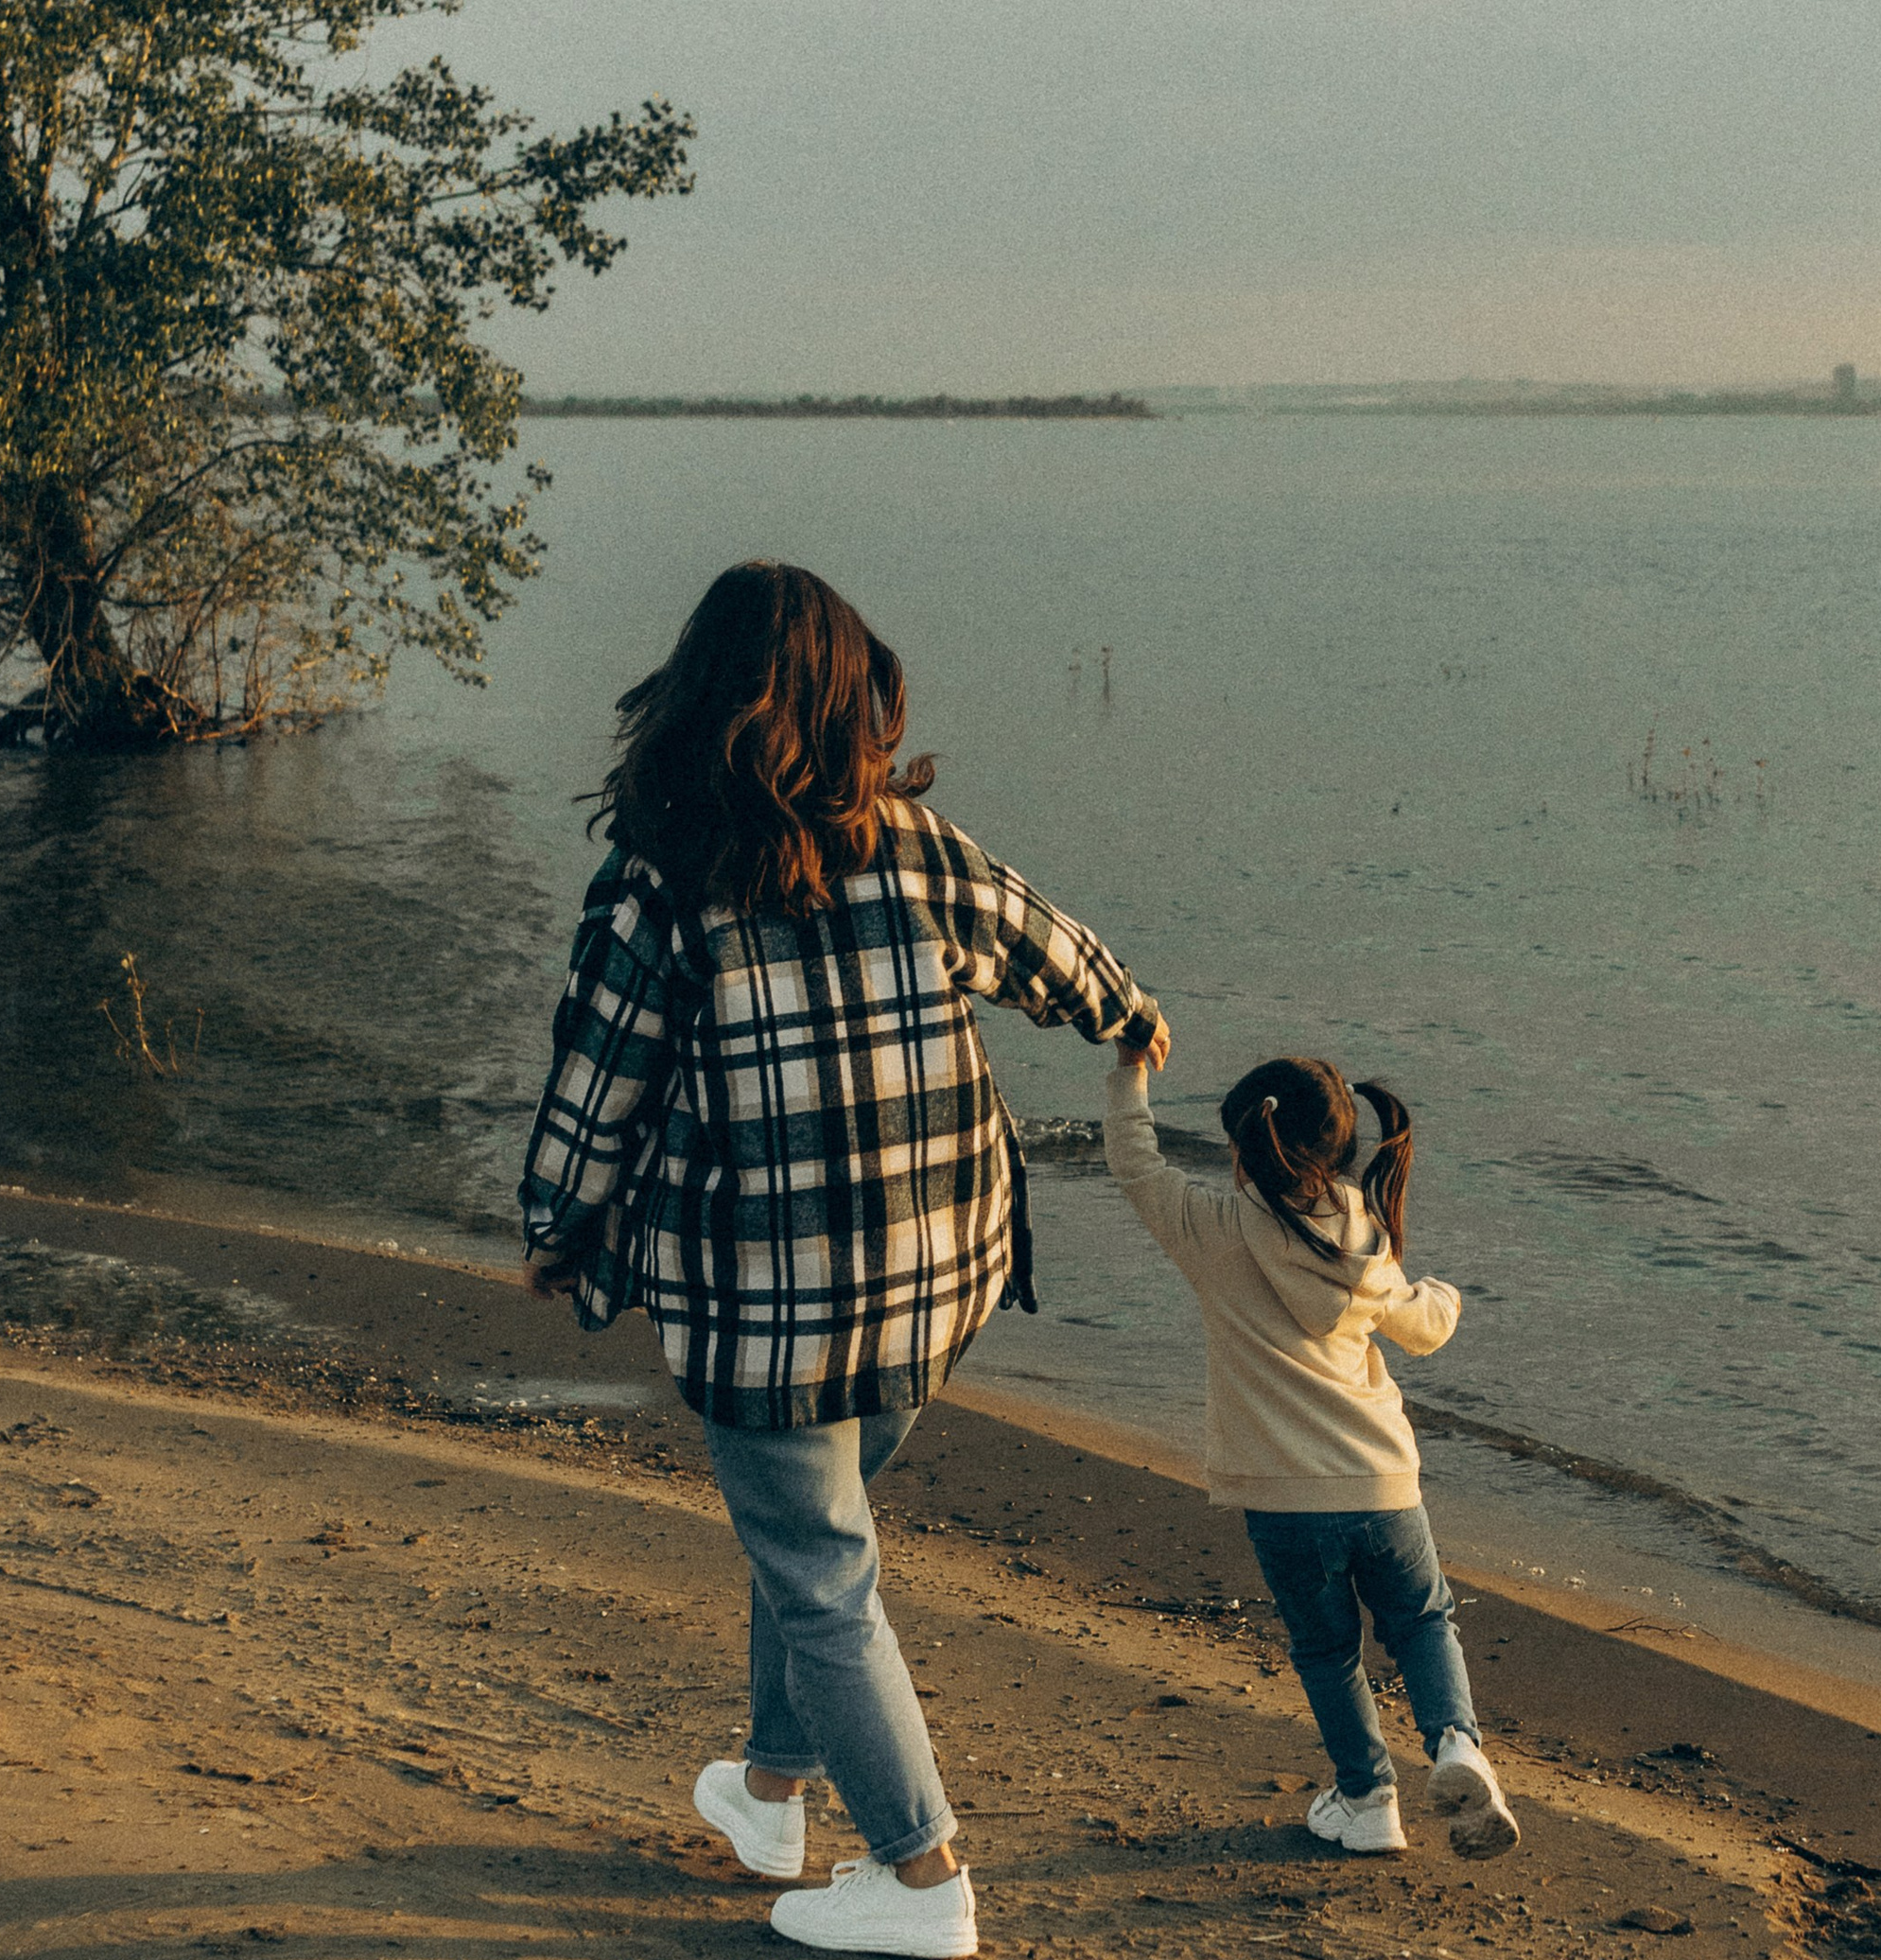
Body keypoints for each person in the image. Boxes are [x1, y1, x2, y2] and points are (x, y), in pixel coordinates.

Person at [520, 560, 1166, 1960]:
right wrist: (1130, 1018)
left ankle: (924, 1878)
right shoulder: (917, 847)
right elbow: (1056, 949)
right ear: (849, 694)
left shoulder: (661, 883)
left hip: (768, 1310)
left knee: (820, 1574)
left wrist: (555, 1232)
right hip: (934, 1283)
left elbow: (598, 1089)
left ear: (695, 700)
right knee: (810, 1544)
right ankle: (768, 1794)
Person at [1102, 1045, 1518, 1861]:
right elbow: (1424, 1330)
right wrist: (1444, 1296)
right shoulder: (1363, 1234)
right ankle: (1457, 1745)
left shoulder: (1214, 1229)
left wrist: (1130, 1065)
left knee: (1329, 1653)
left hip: (1283, 1498)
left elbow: (1133, 1162)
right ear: (1339, 1151)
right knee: (1424, 1622)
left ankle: (1367, 1802)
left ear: (1246, 1148)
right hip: (1382, 1483)